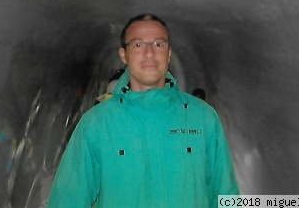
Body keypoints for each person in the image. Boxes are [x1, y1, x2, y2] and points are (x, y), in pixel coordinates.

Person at [47, 14, 239, 207]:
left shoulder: (202, 117)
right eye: (138, 45)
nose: (149, 53)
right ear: (124, 54)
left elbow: (226, 195)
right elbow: (68, 200)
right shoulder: (97, 123)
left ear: (169, 53)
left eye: (158, 44)